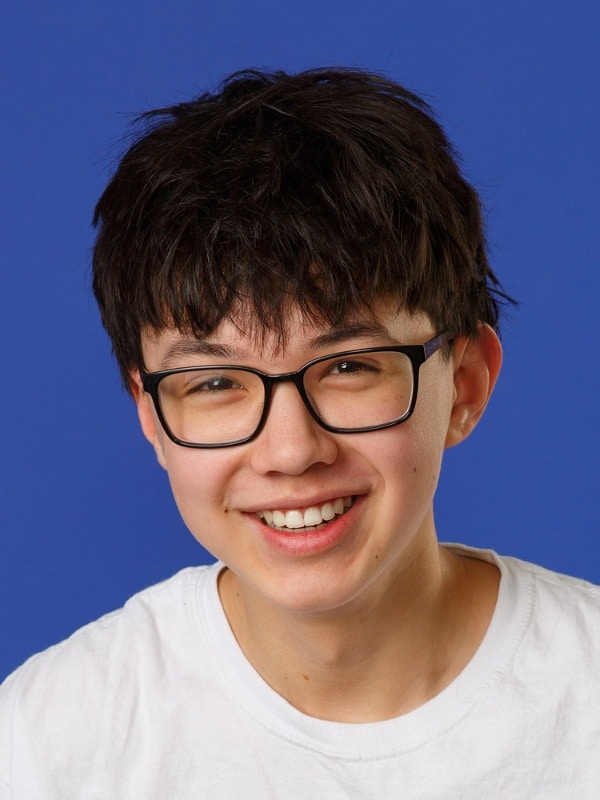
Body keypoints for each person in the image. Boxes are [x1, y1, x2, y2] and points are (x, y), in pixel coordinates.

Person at [1, 67, 598, 798]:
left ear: (465, 385)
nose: (290, 452)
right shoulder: (47, 745)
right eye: (215, 383)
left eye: (348, 366)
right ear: (151, 416)